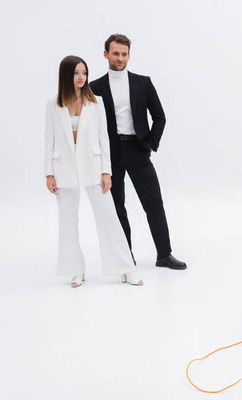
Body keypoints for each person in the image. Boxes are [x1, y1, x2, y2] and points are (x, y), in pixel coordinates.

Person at [45, 55, 143, 288]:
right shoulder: (54, 103)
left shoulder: (96, 103)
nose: (81, 77)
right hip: (64, 168)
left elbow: (103, 138)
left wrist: (106, 171)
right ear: (66, 75)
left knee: (108, 215)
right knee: (68, 220)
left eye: (84, 73)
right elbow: (49, 140)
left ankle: (126, 268)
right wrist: (49, 173)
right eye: (76, 73)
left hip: (93, 166)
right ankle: (75, 270)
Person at [90, 34, 186, 270]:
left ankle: (164, 254)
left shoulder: (143, 83)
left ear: (129, 55)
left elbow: (160, 116)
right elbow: (90, 124)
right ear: (106, 54)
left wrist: (152, 143)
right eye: (115, 53)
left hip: (137, 148)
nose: (120, 58)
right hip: (110, 153)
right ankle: (126, 257)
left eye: (124, 54)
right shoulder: (94, 88)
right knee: (117, 206)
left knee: (154, 202)